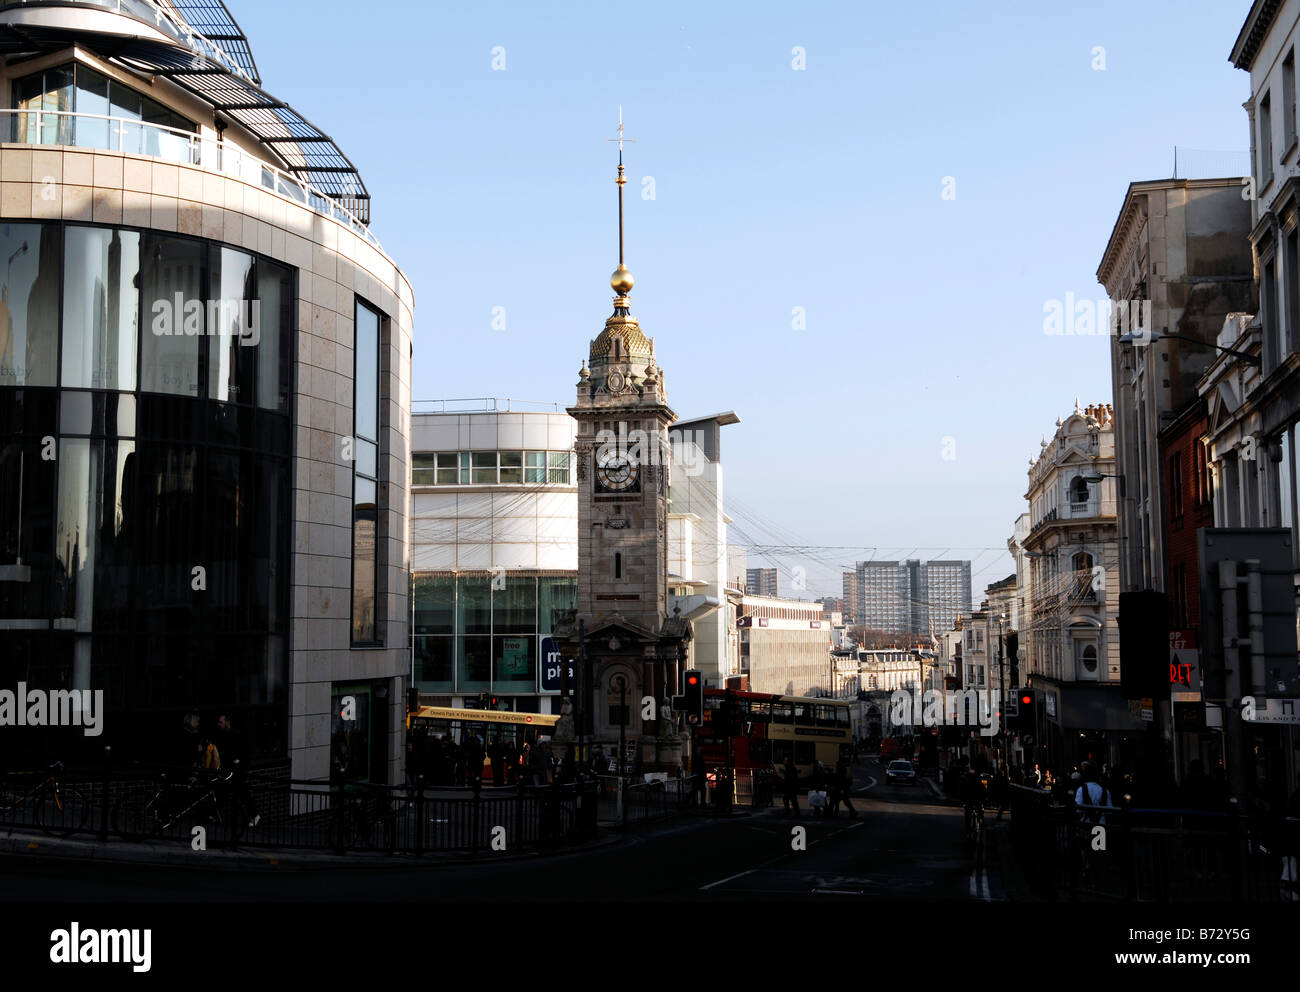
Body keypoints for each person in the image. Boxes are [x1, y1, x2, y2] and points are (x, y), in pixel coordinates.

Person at [215, 713, 258, 828]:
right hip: (230, 769)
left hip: (237, 770)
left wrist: (238, 763)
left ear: (227, 722)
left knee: (241, 791)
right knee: (237, 792)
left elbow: (243, 754)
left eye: (221, 722)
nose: (219, 724)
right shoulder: (225, 735)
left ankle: (253, 814)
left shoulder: (236, 736)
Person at [833, 752, 857, 819]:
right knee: (843, 802)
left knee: (842, 802)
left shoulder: (840, 773)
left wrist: (841, 789)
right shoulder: (842, 771)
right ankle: (852, 812)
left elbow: (841, 781)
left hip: (842, 789)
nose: (836, 766)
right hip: (842, 789)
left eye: (837, 765)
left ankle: (852, 812)